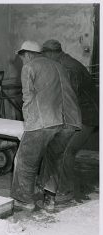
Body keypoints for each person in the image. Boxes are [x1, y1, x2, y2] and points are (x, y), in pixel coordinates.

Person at [10, 40, 82, 212]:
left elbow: (27, 98)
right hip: (70, 121)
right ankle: (49, 200)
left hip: (44, 121)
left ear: (26, 54)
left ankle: (24, 200)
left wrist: (29, 125)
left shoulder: (29, 67)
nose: (22, 61)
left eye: (22, 58)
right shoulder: (60, 66)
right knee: (54, 159)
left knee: (25, 160)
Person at [39, 39, 99, 202]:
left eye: (44, 56)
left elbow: (68, 99)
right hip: (81, 113)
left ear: (51, 53)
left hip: (87, 116)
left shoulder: (68, 68)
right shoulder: (64, 63)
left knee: (65, 150)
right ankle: (50, 183)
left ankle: (66, 191)